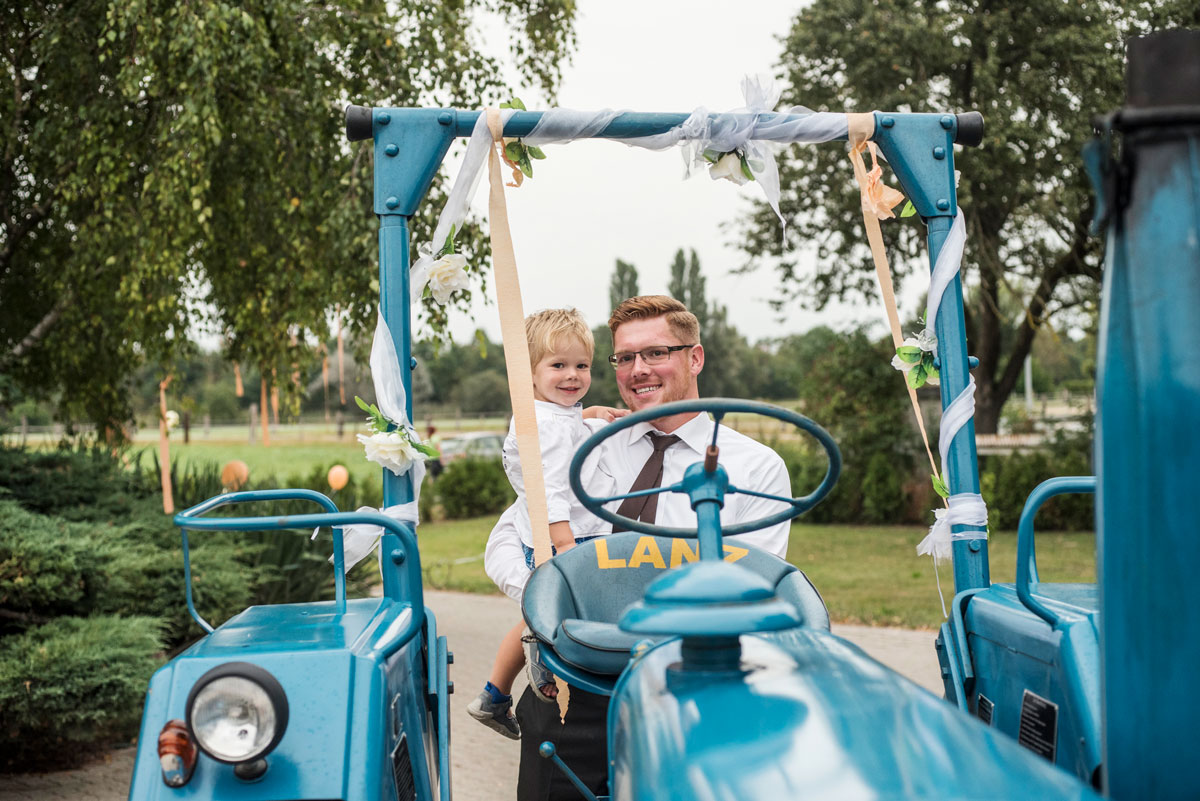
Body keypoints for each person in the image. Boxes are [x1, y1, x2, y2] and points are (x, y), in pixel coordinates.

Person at [483, 295, 793, 800]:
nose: (638, 370)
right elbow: (512, 531)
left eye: (655, 353)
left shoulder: (754, 467)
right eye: (624, 358)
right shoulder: (586, 445)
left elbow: (753, 589)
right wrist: (543, 594)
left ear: (695, 358)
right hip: (574, 681)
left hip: (689, 688)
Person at [466, 308, 625, 740]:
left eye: (581, 366)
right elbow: (548, 489)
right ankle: (541, 671)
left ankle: (493, 694)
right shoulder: (548, 429)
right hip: (557, 537)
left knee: (536, 615)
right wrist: (564, 546)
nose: (572, 376)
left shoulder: (551, 415)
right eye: (558, 366)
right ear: (529, 374)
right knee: (551, 617)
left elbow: (562, 429)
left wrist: (587, 413)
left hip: (559, 533)